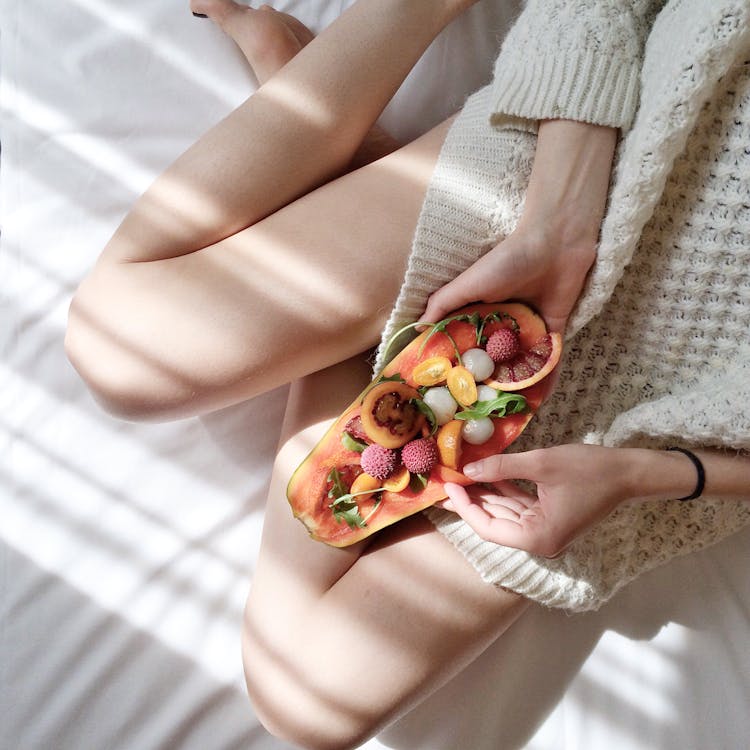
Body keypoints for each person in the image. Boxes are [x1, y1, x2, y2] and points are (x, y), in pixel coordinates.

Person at [64, 0, 750, 747]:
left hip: (652, 420)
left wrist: (650, 473)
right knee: (122, 358)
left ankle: (354, 251)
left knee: (308, 707)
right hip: (581, 177)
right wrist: (560, 223)